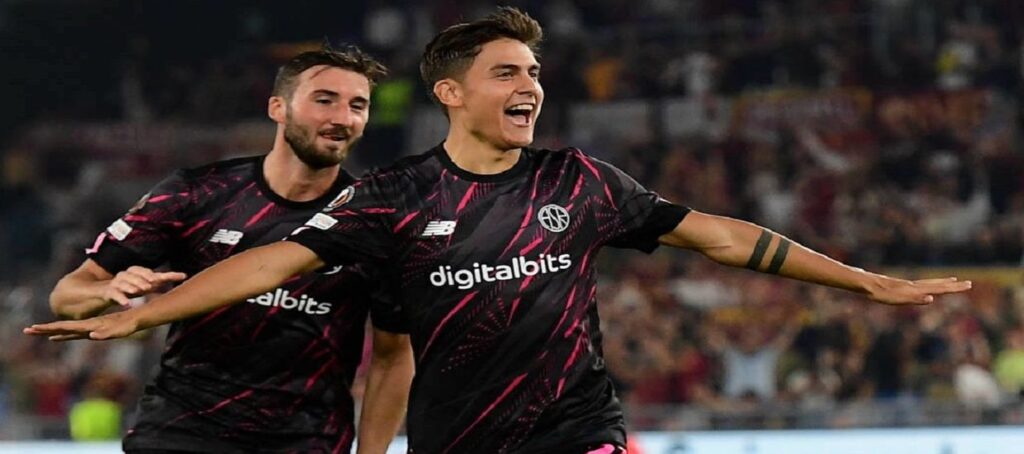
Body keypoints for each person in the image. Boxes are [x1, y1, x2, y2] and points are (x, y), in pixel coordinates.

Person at [27, 8, 972, 454]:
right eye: (507, 73)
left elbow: (721, 237)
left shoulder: (580, 181)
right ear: (450, 92)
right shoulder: (393, 197)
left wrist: (865, 281)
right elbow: (277, 259)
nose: (531, 87)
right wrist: (141, 314)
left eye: (535, 73)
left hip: (576, 429)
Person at [40, 44, 413, 454]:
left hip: (305, 443)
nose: (342, 117)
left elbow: (393, 357)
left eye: (358, 105)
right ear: (278, 107)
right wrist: (104, 292)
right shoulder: (197, 193)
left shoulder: (379, 223)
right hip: (180, 434)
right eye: (324, 100)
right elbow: (66, 297)